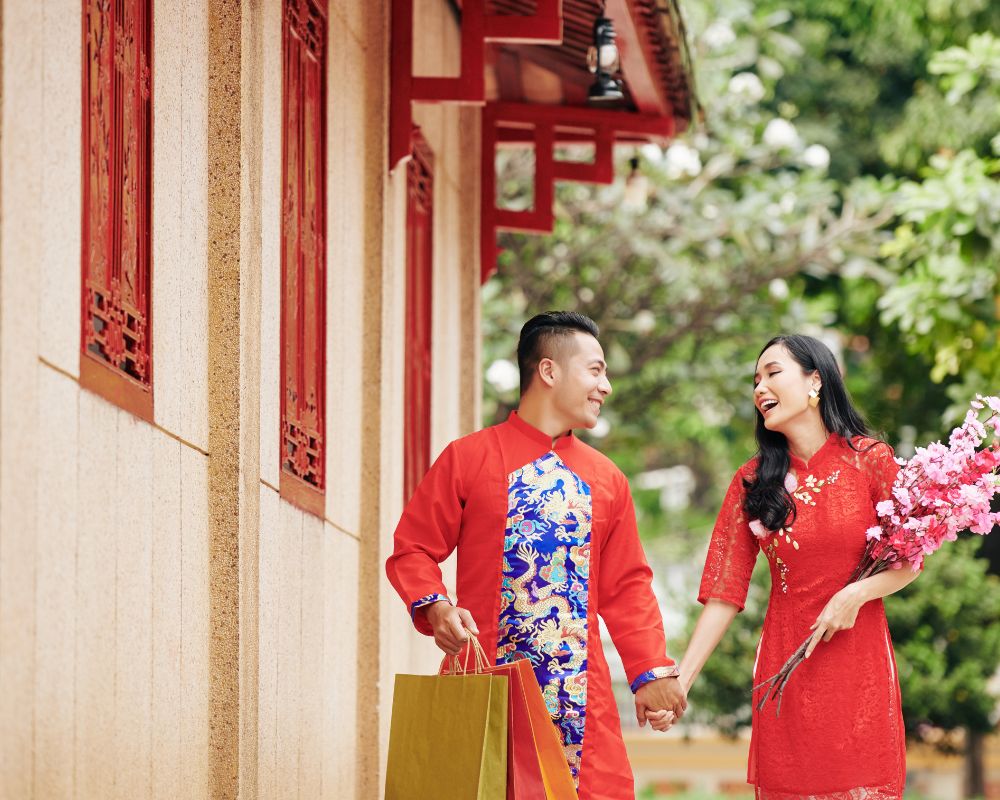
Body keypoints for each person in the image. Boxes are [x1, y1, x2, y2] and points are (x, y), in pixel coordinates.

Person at [386, 311, 686, 798]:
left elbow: (627, 587)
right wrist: (435, 605)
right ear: (548, 371)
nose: (605, 386)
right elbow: (414, 549)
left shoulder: (607, 480)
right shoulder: (468, 458)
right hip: (485, 692)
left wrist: (650, 672)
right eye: (595, 369)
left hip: (582, 709)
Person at [670, 334, 918, 799]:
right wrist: (681, 682)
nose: (760, 387)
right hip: (787, 671)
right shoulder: (751, 482)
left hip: (858, 671)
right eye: (755, 379)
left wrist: (855, 594)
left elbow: (910, 560)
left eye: (772, 373)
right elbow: (725, 593)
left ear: (815, 381)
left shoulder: (872, 462)